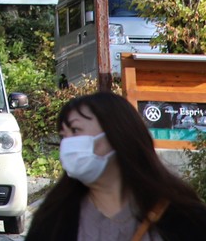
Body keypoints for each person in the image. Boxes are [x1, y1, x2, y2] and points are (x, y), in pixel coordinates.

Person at [26, 92, 206, 241]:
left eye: (75, 131)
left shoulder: (180, 215)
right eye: (63, 135)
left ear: (115, 134)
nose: (68, 144)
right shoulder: (54, 218)